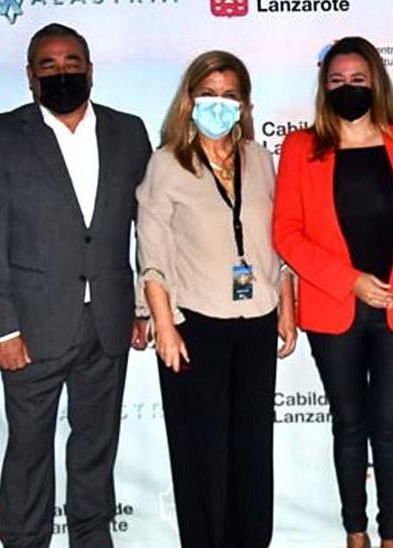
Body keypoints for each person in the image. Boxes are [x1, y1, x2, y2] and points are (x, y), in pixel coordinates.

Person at [0, 23, 152, 548]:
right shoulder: (0, 134)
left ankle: (93, 539)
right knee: (28, 449)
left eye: (72, 62)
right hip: (30, 328)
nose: (61, 72)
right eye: (47, 65)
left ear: (90, 70)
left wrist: (140, 306)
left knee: (96, 448)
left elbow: (148, 226)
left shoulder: (128, 131)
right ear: (30, 77)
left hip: (108, 323)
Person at [272, 36, 393, 548]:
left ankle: (392, 535)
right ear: (325, 86)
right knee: (349, 425)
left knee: (389, 427)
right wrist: (351, 282)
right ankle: (356, 532)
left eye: (358, 79)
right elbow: (286, 233)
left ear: (377, 83)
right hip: (332, 308)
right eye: (338, 80)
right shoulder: (301, 148)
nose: (348, 88)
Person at [136, 49, 297, 547]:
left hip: (256, 322)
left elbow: (277, 241)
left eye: (230, 96)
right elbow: (153, 254)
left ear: (245, 105)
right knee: (200, 455)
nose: (219, 105)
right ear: (189, 100)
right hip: (192, 329)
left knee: (251, 451)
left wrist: (286, 309)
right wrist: (164, 326)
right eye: (209, 95)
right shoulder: (166, 164)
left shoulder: (260, 159)